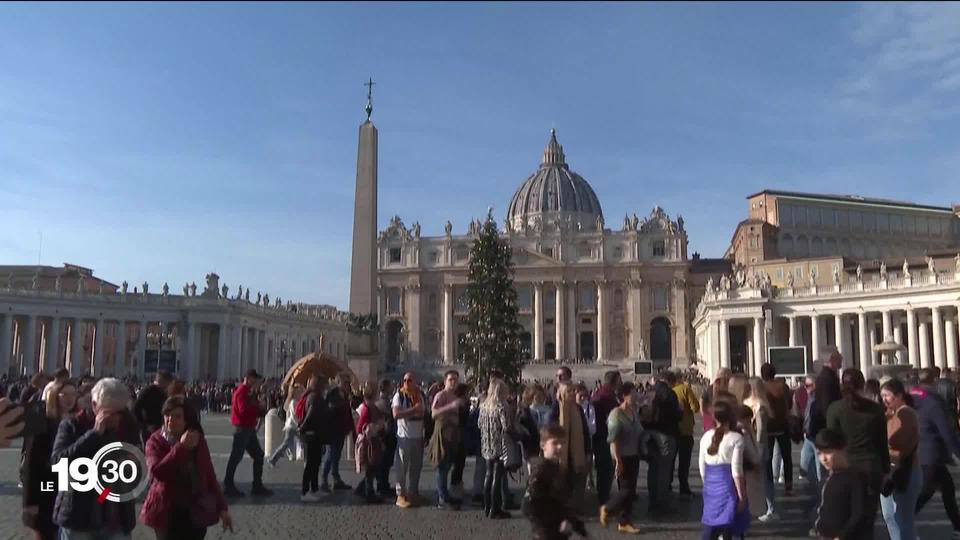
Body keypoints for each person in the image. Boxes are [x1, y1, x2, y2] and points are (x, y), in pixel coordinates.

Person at [51, 378, 141, 540]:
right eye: (108, 412)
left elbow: (137, 462)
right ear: (94, 405)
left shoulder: (128, 424)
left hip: (117, 515)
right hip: (79, 513)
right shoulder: (72, 424)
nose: (115, 418)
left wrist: (132, 464)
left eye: (119, 412)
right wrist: (93, 435)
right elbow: (58, 461)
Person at [141, 397, 232, 539]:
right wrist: (181, 448)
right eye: (167, 415)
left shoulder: (197, 439)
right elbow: (158, 472)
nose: (170, 420)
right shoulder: (155, 441)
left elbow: (209, 474)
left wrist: (222, 508)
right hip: (167, 511)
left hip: (196, 510)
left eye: (177, 416)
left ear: (186, 419)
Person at [826, 368, 889, 539]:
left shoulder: (835, 409)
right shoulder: (875, 410)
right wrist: (886, 471)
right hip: (871, 468)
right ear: (863, 385)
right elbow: (882, 444)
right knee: (867, 521)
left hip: (845, 469)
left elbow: (831, 442)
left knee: (845, 520)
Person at [22, 379, 77, 540]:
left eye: (73, 394)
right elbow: (30, 463)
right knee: (46, 529)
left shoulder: (75, 420)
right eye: (64, 394)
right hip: (46, 484)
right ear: (54, 395)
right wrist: (29, 502)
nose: (69, 398)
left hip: (69, 488)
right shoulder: (40, 418)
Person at [912, 368, 960, 537]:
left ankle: (957, 525)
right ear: (934, 382)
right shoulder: (933, 402)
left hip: (919, 452)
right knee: (926, 491)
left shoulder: (911, 397)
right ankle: (901, 518)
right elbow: (946, 431)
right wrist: (957, 451)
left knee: (947, 489)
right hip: (932, 454)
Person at [523, 424, 588, 540]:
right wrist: (551, 525)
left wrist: (577, 526)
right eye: (555, 443)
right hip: (546, 534)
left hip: (559, 533)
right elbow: (528, 505)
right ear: (543, 446)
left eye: (562, 443)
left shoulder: (558, 469)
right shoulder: (540, 471)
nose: (560, 447)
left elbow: (561, 503)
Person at [698, 399, 750, 540]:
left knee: (710, 524)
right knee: (729, 525)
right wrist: (741, 496)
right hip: (728, 487)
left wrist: (707, 484)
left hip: (710, 486)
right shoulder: (736, 438)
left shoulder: (705, 437)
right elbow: (736, 470)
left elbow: (702, 466)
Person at [878, 378, 921, 540]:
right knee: (890, 516)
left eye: (887, 395)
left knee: (902, 519)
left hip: (905, 471)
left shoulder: (906, 413)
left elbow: (897, 441)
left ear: (899, 395)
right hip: (891, 471)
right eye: (882, 396)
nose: (884, 400)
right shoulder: (891, 414)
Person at [599, 381, 643, 535]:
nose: (636, 394)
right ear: (625, 395)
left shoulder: (634, 412)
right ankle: (607, 508)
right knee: (625, 490)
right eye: (633, 392)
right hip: (621, 456)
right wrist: (618, 460)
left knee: (631, 491)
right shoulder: (615, 414)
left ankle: (624, 522)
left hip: (634, 455)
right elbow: (613, 439)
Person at [222, 369, 272, 498]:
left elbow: (252, 408)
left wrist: (261, 409)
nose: (256, 382)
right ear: (248, 378)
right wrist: (257, 407)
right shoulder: (241, 392)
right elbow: (243, 410)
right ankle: (228, 485)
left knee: (259, 455)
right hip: (242, 429)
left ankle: (257, 485)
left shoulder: (249, 392)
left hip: (249, 429)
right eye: (254, 379)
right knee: (236, 457)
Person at [813, 429, 868, 540]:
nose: (823, 458)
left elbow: (858, 514)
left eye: (828, 452)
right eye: (820, 453)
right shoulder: (827, 478)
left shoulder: (855, 478)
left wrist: (842, 535)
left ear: (842, 449)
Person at [642, 370, 682, 513]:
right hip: (665, 434)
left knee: (653, 469)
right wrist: (680, 412)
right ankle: (662, 503)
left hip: (649, 435)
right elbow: (675, 414)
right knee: (664, 470)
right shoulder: (669, 393)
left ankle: (652, 500)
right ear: (670, 381)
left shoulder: (648, 391)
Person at [550, 381, 590, 513]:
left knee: (577, 481)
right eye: (569, 391)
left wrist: (588, 451)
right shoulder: (555, 410)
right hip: (560, 454)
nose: (573, 393)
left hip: (576, 452)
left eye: (574, 391)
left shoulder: (577, 409)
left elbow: (585, 431)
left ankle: (575, 507)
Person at [430, 370, 465, 509]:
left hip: (452, 435)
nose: (453, 382)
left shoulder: (454, 396)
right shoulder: (441, 395)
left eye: (455, 380)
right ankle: (442, 498)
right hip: (442, 434)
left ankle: (444, 494)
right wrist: (450, 407)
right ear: (445, 381)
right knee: (442, 467)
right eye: (450, 379)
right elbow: (433, 413)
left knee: (447, 466)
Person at [479, 377, 512, 519]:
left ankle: (487, 507)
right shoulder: (501, 406)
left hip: (486, 445)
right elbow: (506, 427)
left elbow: (479, 424)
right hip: (499, 445)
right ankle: (495, 509)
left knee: (488, 474)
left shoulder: (483, 406)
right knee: (497, 478)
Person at [392, 372, 426, 508]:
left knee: (416, 468)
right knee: (402, 467)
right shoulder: (398, 396)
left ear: (415, 381)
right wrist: (413, 410)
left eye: (409, 380)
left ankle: (413, 493)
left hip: (418, 436)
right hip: (404, 437)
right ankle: (400, 494)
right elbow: (396, 414)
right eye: (404, 380)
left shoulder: (421, 395)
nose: (406, 382)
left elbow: (423, 413)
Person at [744, 377, 775, 522]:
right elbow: (761, 429)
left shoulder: (746, 403)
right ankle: (768, 507)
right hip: (759, 443)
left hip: (748, 442)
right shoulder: (760, 405)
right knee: (764, 476)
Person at [761, 364, 793, 497]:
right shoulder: (783, 386)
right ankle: (788, 486)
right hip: (783, 425)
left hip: (768, 426)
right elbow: (790, 404)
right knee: (787, 456)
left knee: (767, 458)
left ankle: (769, 485)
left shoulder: (761, 387)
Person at [592, 370, 621, 505]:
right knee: (606, 469)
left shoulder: (600, 394)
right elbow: (613, 417)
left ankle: (602, 496)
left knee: (603, 469)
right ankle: (603, 499)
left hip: (600, 436)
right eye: (619, 380)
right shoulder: (607, 397)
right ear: (615, 381)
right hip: (605, 438)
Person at [669, 370, 701, 497]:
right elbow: (695, 407)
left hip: (671, 430)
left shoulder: (668, 391)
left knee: (670, 461)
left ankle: (668, 485)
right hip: (685, 430)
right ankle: (683, 487)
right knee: (684, 461)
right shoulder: (685, 389)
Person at [322, 372, 355, 492]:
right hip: (332, 431)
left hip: (341, 430)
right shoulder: (332, 394)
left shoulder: (345, 395)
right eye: (345, 382)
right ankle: (324, 479)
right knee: (330, 456)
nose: (348, 385)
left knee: (336, 456)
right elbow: (330, 409)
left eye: (348, 383)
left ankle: (336, 480)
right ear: (339, 383)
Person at [298, 375, 329, 502]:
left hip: (315, 434)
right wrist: (303, 428)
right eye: (324, 385)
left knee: (315, 463)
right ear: (319, 386)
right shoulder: (315, 397)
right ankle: (305, 491)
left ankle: (314, 488)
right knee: (311, 464)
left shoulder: (314, 396)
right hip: (312, 435)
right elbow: (310, 414)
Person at [355, 381, 386, 504]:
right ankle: (369, 493)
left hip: (375, 441)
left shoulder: (373, 407)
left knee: (373, 468)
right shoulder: (367, 409)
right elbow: (359, 428)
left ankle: (362, 489)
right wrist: (371, 427)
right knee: (371, 468)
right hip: (369, 443)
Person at [269, 384, 305, 467]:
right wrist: (299, 425)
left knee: (300, 443)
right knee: (286, 444)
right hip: (293, 427)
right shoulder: (293, 402)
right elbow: (294, 416)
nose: (300, 393)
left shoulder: (294, 401)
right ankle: (273, 459)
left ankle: (273, 459)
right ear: (295, 393)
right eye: (299, 392)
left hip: (293, 426)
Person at [134, 370, 173, 444]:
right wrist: (145, 425)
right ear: (162, 380)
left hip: (161, 427)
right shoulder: (148, 391)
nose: (168, 385)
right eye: (168, 382)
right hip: (150, 428)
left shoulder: (163, 392)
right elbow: (136, 408)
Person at [375, 379, 398, 497]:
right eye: (390, 386)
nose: (392, 388)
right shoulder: (383, 403)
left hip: (387, 436)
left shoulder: (384, 402)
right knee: (384, 463)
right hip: (386, 437)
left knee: (386, 463)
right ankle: (382, 486)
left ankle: (383, 484)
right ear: (386, 388)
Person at [576, 385, 597, 492]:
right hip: (575, 440)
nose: (583, 398)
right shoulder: (570, 408)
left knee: (587, 461)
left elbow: (593, 427)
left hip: (586, 439)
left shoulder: (589, 408)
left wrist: (583, 428)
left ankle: (589, 479)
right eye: (580, 396)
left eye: (585, 395)